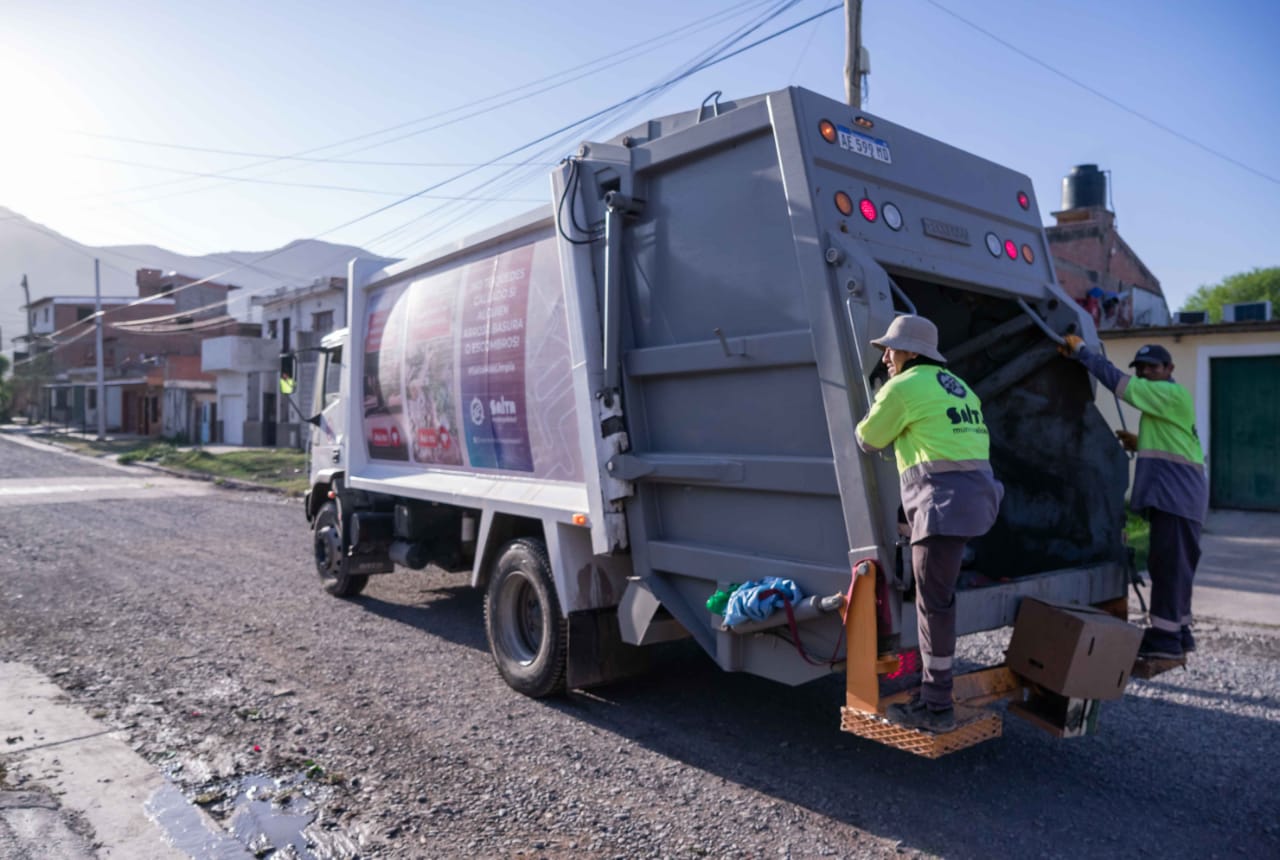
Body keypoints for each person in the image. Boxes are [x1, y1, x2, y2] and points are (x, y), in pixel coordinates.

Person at [855, 315, 1004, 732]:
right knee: (937, 597)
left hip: (943, 506)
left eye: (891, 348)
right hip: (976, 502)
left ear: (910, 352)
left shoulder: (902, 387)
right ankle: (929, 689)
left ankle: (936, 704)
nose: (885, 355)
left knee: (934, 604)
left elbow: (867, 439)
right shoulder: (960, 387)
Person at [1060, 337, 1207, 660]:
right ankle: (1179, 632)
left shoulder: (1168, 393)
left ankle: (1165, 640)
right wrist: (1141, 443)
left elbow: (1120, 384)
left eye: (1152, 367)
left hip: (1176, 498)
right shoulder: (1168, 401)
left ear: (1169, 369)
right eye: (1140, 369)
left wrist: (1084, 354)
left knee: (1169, 566)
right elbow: (1177, 443)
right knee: (1176, 566)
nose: (1145, 373)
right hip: (1180, 498)